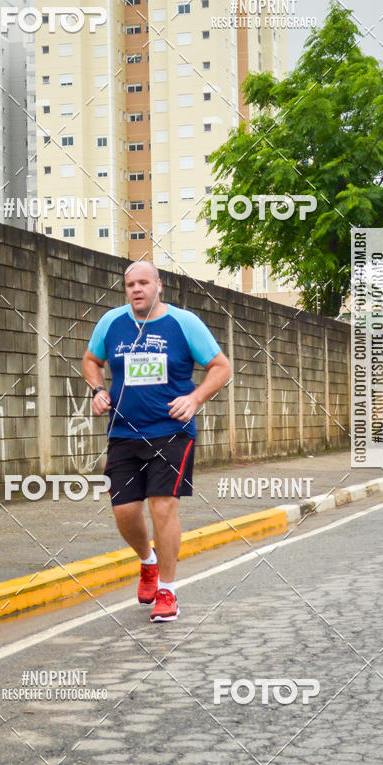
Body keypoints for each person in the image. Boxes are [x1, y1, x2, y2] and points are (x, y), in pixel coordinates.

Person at [82, 260, 231, 622]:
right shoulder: (112, 323)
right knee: (125, 511)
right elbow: (91, 360)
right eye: (130, 284)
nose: (136, 289)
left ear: (158, 285)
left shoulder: (184, 323)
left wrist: (195, 399)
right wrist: (98, 389)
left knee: (163, 507)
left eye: (143, 282)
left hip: (171, 431)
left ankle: (167, 589)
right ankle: (147, 563)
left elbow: (222, 367)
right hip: (123, 432)